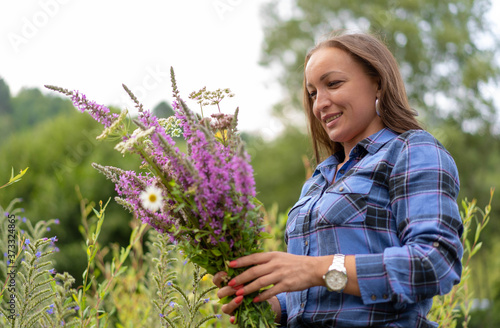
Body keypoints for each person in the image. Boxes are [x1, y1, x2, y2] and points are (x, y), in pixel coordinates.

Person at [213, 32, 463, 327]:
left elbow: (434, 264)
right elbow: (317, 297)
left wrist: (317, 269)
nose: (320, 104)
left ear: (378, 82)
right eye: (313, 93)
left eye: (333, 84)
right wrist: (264, 302)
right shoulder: (318, 180)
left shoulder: (411, 150)